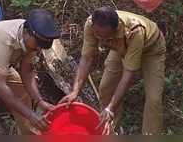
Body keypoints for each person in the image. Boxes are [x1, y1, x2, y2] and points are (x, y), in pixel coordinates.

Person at [59, 7, 166, 135]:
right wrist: (75, 91)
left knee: (153, 99)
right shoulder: (90, 24)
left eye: (104, 36)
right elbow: (87, 58)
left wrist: (111, 108)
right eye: (97, 34)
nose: (100, 38)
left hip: (151, 50)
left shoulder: (134, 30)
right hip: (120, 49)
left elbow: (128, 74)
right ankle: (109, 131)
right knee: (105, 88)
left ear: (114, 30)